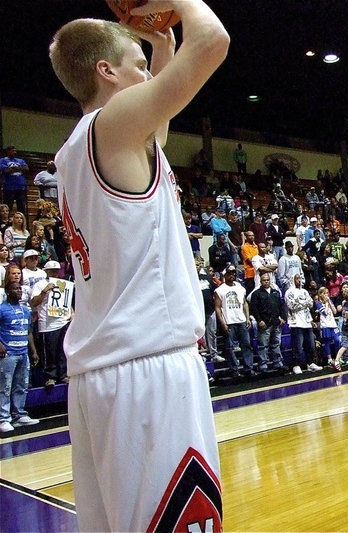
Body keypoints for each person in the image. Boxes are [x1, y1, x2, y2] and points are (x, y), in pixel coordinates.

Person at [48, 3, 228, 530]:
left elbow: (162, 125)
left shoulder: (83, 145)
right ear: (106, 71)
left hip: (103, 374)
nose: (151, 75)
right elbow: (213, 41)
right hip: (149, 369)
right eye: (138, 64)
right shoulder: (114, 125)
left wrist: (159, 42)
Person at [0, 281, 39, 434]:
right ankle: (3, 418)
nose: (19, 292)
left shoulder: (25, 310)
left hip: (23, 352)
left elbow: (29, 332)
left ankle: (19, 414)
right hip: (7, 353)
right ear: (8, 292)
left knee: (21, 385)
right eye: (15, 289)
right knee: (5, 387)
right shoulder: (2, 309)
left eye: (20, 289)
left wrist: (34, 351)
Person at [29, 261, 72, 387]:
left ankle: (63, 375)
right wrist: (44, 292)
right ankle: (50, 377)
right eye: (52, 270)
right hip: (47, 324)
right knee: (49, 353)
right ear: (46, 271)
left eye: (57, 270)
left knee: (62, 352)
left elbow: (67, 302)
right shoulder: (39, 284)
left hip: (62, 321)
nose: (55, 272)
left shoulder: (64, 284)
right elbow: (34, 302)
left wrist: (72, 312)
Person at [249, 272, 286, 371]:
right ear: (260, 282)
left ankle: (278, 362)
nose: (266, 282)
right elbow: (254, 308)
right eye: (264, 280)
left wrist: (283, 317)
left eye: (267, 280)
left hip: (276, 322)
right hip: (264, 323)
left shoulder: (275, 292)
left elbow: (282, 306)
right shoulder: (256, 294)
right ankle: (263, 364)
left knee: (276, 344)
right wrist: (259, 320)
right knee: (263, 346)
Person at [285, 273, 321, 374]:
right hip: (296, 322)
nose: (299, 280)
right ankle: (296, 365)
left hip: (306, 321)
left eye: (300, 278)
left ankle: (310, 364)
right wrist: (303, 303)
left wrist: (301, 303)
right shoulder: (289, 292)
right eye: (296, 278)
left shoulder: (305, 291)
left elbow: (310, 303)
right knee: (297, 345)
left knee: (310, 344)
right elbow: (292, 305)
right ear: (292, 280)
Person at [0, 146, 29, 217]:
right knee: (8, 206)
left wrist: (13, 168)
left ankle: (22, 223)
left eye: (15, 151)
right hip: (9, 187)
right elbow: (6, 170)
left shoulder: (20, 160)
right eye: (13, 151)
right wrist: (20, 168)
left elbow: (26, 169)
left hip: (21, 187)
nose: (15, 152)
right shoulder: (3, 160)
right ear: (8, 151)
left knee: (22, 207)